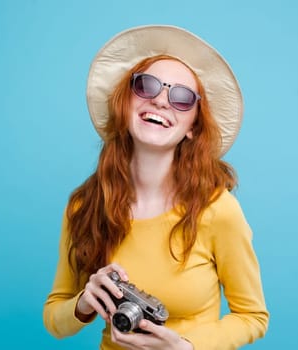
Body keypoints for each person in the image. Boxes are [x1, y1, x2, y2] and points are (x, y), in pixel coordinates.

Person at [43, 25, 268, 350]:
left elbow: (253, 316)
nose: (162, 101)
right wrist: (84, 301)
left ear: (193, 127)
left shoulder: (217, 210)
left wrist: (185, 346)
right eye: (146, 86)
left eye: (182, 98)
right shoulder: (84, 206)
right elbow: (55, 319)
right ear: (125, 103)